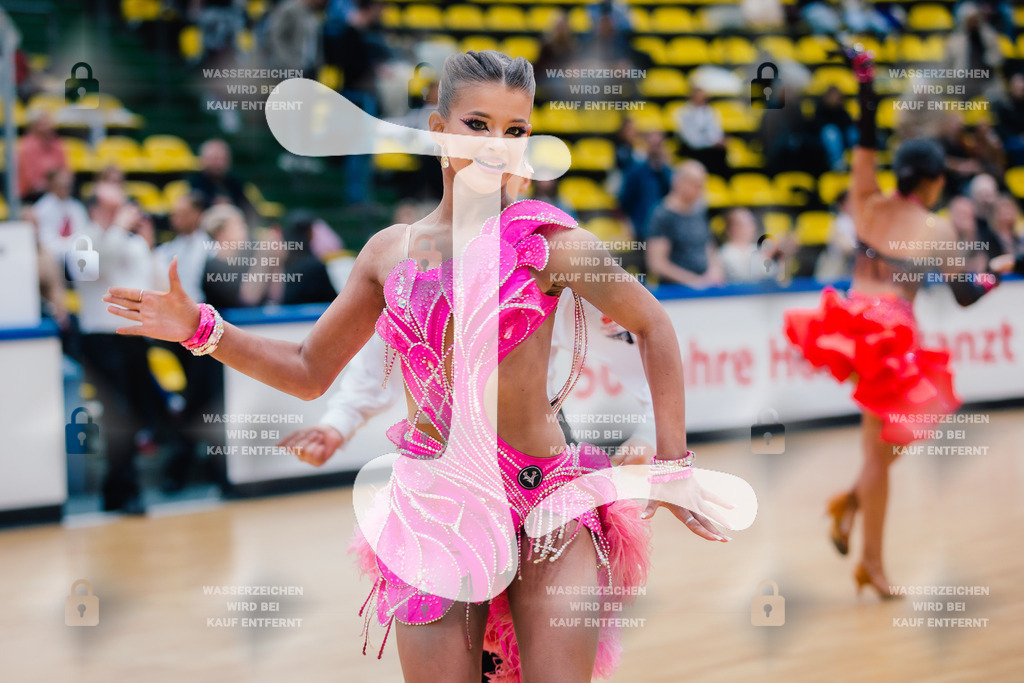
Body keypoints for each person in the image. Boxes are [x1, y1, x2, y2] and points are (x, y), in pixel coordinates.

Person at [103, 50, 743, 682]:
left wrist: (674, 462)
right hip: (436, 510)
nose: (498, 145)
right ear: (437, 131)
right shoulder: (389, 253)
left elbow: (653, 323)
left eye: (515, 131)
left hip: (548, 502)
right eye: (478, 124)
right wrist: (200, 329)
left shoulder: (550, 244)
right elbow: (306, 369)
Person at [784, 46, 1002, 599]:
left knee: (893, 442)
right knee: (886, 448)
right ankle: (871, 561)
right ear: (931, 183)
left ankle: (850, 506)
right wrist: (997, 272)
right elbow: (963, 295)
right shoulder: (936, 229)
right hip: (890, 337)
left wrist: (864, 80)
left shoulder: (868, 202)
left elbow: (863, 137)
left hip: (855, 326)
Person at [71, 186, 162, 514]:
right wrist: (119, 230)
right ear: (94, 209)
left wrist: (148, 246)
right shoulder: (82, 240)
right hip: (101, 339)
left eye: (122, 206)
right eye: (112, 207)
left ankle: (114, 491)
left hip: (135, 338)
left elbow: (154, 286)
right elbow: (94, 272)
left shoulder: (133, 242)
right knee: (118, 415)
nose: (122, 212)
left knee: (135, 415)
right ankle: (128, 491)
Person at [645, 160, 725, 288]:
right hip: (676, 293)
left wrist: (715, 271)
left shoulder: (700, 210)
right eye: (697, 185)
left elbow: (709, 246)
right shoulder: (662, 215)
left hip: (704, 287)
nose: (701, 190)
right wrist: (693, 281)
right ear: (679, 183)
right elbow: (657, 263)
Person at [618, 131, 672, 240]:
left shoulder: (668, 172)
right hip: (641, 227)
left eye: (659, 145)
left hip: (664, 230)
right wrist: (629, 223)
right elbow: (625, 201)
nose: (656, 149)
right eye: (653, 145)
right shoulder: (635, 171)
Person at [33, 168, 89, 259]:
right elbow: (45, 238)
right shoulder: (42, 208)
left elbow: (83, 230)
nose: (64, 187)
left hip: (75, 251)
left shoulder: (76, 206)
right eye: (61, 184)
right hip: (54, 253)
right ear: (52, 184)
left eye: (67, 185)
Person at [188, 139, 255, 216]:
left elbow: (245, 206)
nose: (219, 163)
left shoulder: (234, 182)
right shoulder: (195, 182)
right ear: (204, 159)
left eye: (223, 159)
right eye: (215, 159)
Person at [674, 87, 727, 177]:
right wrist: (711, 142)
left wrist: (716, 141)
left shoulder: (711, 112)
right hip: (692, 149)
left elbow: (716, 132)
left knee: (721, 152)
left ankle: (718, 180)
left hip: (710, 148)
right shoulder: (683, 113)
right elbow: (691, 139)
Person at [17, 112, 67, 202]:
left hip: (55, 191)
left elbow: (65, 170)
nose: (47, 127)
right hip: (32, 195)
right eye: (43, 124)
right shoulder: (27, 147)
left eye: (48, 123)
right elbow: (31, 181)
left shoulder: (57, 144)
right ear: (34, 126)